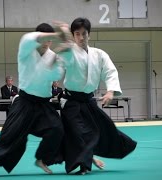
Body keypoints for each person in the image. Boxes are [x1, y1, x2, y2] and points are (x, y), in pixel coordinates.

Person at [0, 23, 71, 177]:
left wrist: (61, 52)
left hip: (44, 104)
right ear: (38, 37)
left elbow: (54, 76)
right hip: (24, 102)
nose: (46, 41)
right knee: (9, 136)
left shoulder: (54, 56)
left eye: (50, 39)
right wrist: (60, 35)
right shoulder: (26, 49)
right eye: (44, 37)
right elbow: (28, 38)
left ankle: (42, 159)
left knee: (57, 129)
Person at [59, 18, 137, 175]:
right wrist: (63, 41)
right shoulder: (69, 52)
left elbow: (110, 71)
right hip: (71, 102)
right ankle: (83, 165)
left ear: (89, 34)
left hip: (88, 100)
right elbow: (60, 63)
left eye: (84, 34)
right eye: (77, 34)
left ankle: (108, 151)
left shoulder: (99, 54)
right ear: (73, 35)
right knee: (80, 133)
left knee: (105, 127)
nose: (81, 37)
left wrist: (110, 91)